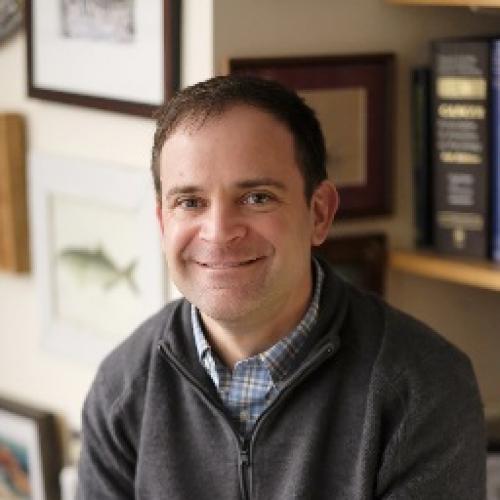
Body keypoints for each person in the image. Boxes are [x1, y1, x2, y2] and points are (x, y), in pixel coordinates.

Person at [77, 76, 486, 499]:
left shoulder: (423, 388)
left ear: (319, 213)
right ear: (163, 222)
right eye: (190, 202)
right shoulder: (122, 386)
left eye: (257, 197)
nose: (218, 232)